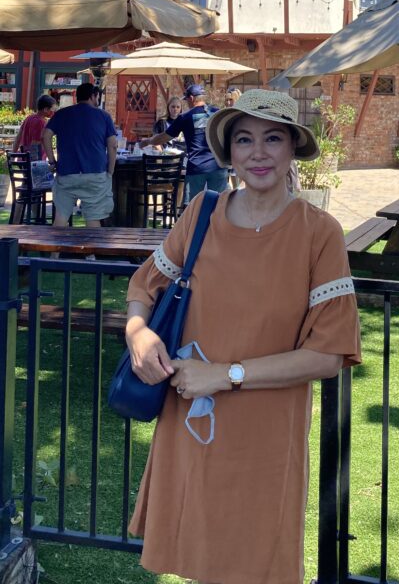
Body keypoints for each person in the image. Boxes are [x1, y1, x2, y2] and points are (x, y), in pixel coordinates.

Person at [125, 89, 361, 584]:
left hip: (266, 433)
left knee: (257, 560)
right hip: (189, 418)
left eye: (272, 138)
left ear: (293, 147)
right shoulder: (200, 215)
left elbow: (328, 354)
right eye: (244, 140)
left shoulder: (320, 233)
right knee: (198, 554)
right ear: (228, 152)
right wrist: (138, 331)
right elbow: (146, 284)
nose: (258, 153)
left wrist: (225, 375)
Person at [42, 83, 117, 228]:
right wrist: (110, 171)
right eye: (97, 97)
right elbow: (113, 145)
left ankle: (54, 250)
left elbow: (45, 136)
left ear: (77, 97)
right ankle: (89, 251)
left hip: (67, 173)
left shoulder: (61, 114)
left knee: (61, 217)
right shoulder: (104, 116)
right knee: (93, 218)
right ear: (93, 96)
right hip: (95, 173)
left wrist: (52, 162)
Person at [141, 84, 228, 202]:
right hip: (218, 166)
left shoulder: (185, 117)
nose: (186, 103)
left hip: (197, 167)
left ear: (191, 98)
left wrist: (148, 141)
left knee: (192, 208)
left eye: (186, 100)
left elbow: (164, 138)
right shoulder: (217, 113)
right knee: (220, 205)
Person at [14, 94, 57, 159]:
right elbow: (35, 145)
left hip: (23, 160)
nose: (53, 111)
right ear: (45, 109)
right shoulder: (40, 122)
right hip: (34, 162)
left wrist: (13, 155)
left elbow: (18, 138)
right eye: (52, 109)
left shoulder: (28, 118)